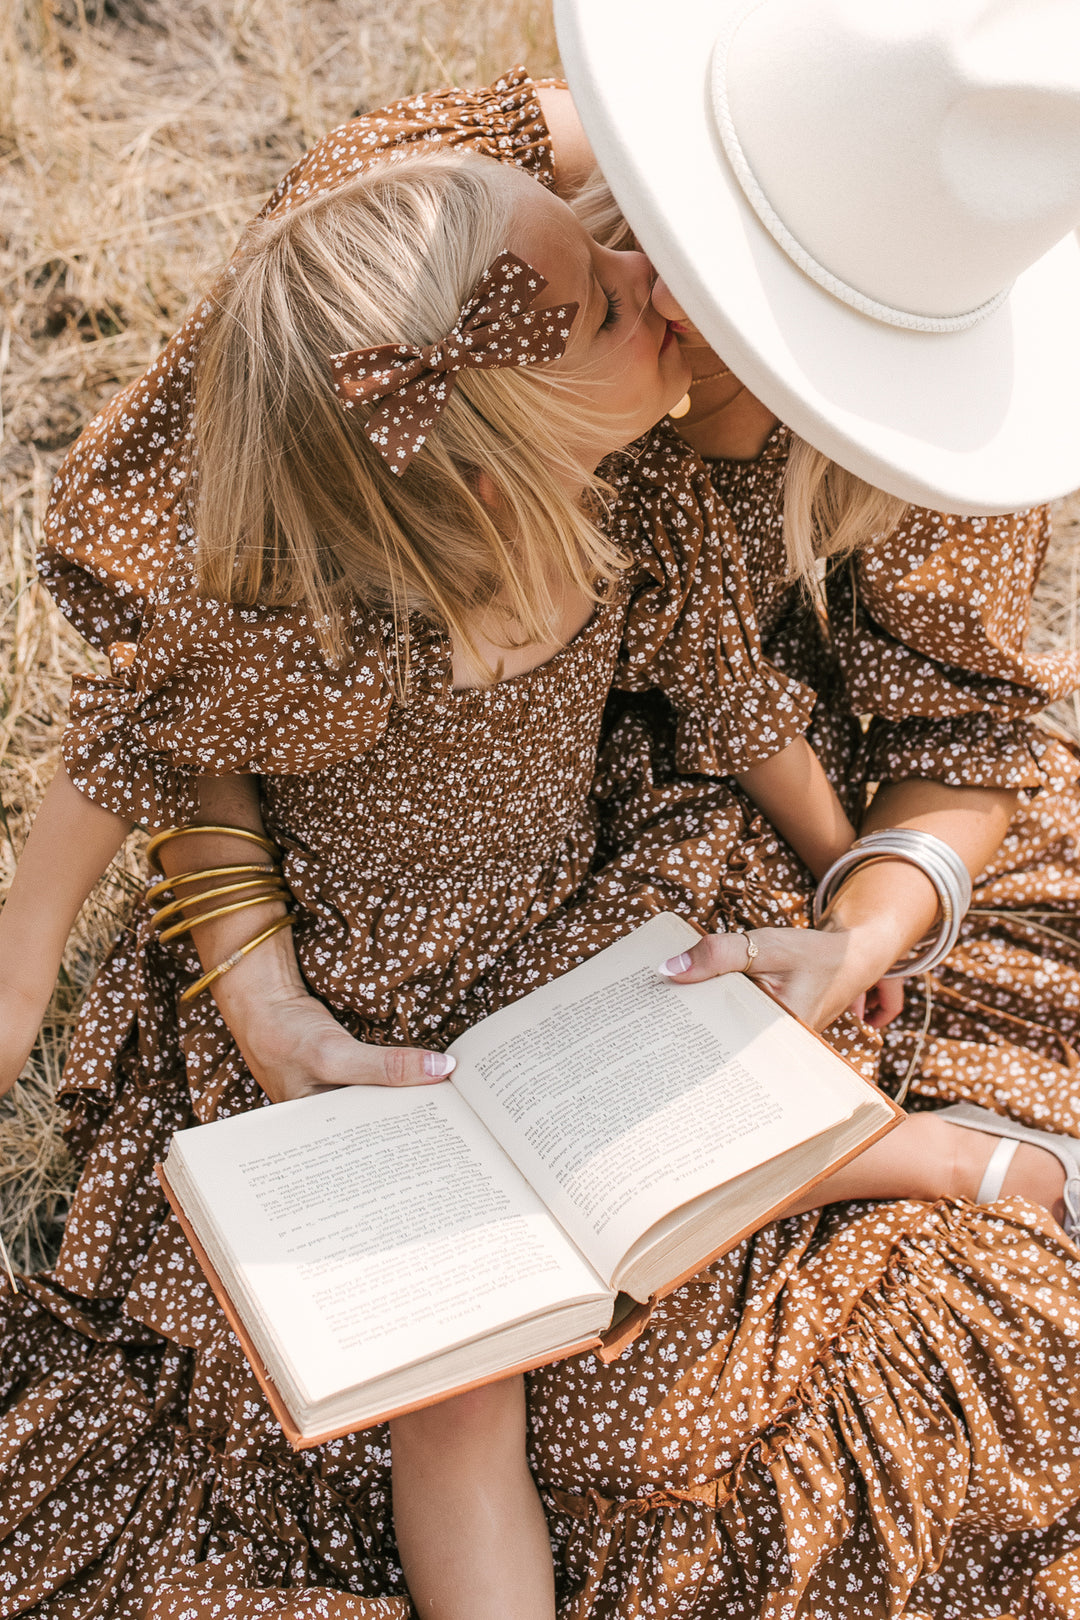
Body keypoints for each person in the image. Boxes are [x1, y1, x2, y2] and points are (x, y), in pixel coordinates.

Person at [4, 56, 1080, 1620]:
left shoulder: (627, 505)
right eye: (655, 281)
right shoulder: (421, 274)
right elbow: (147, 718)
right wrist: (114, 982)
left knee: (662, 1133)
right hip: (382, 1003)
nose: (658, 304)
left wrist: (857, 904)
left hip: (580, 910)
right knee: (472, 1376)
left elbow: (753, 696)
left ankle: (957, 1158)